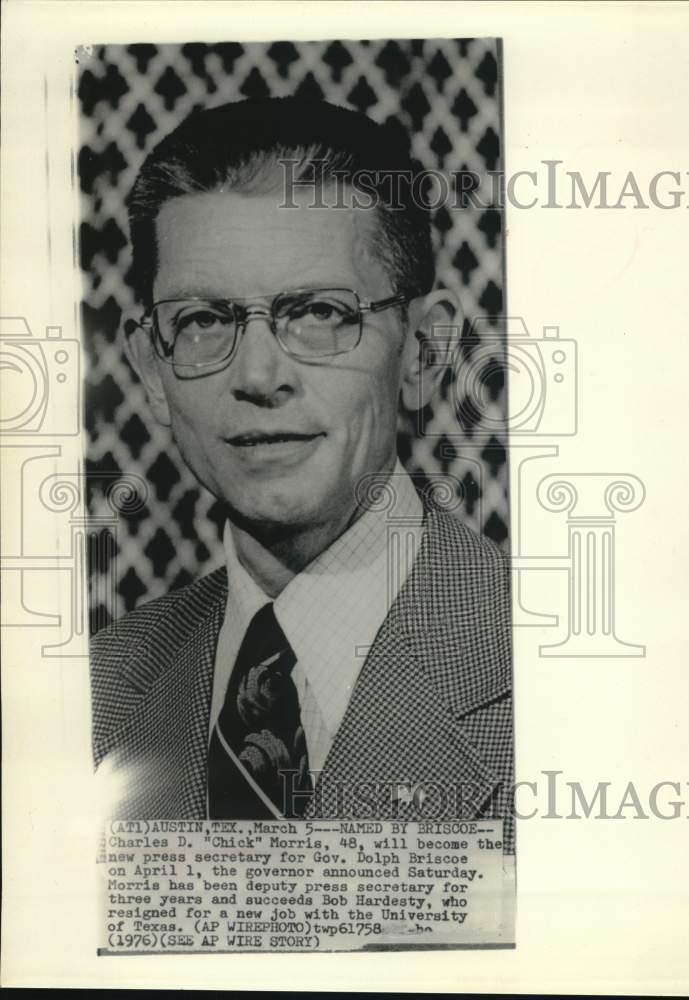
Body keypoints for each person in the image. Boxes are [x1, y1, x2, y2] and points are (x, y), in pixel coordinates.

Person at [90, 96, 514, 852]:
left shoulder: (554, 666)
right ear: (153, 370)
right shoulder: (92, 690)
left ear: (423, 352)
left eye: (319, 312)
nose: (258, 375)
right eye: (203, 320)